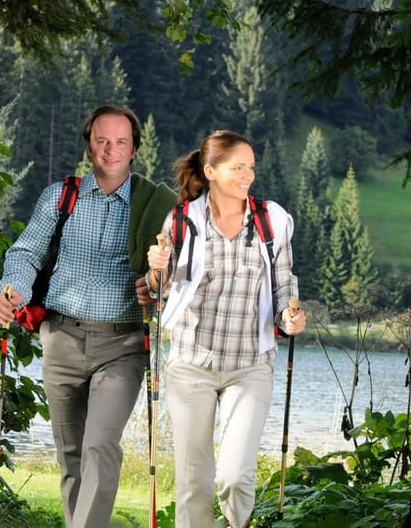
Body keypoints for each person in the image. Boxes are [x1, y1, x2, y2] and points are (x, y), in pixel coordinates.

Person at [0, 105, 175, 527]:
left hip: (123, 345)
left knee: (99, 446)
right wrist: (12, 289)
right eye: (102, 140)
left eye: (121, 142)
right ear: (89, 143)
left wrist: (155, 282)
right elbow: (26, 253)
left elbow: (171, 279)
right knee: (71, 454)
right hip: (61, 337)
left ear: (133, 150)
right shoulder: (61, 195)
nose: (110, 150)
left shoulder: (157, 207)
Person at [145, 130, 307, 528]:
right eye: (238, 167)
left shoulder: (272, 220)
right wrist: (156, 269)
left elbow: (285, 286)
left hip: (250, 366)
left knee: (235, 476)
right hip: (191, 364)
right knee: (192, 482)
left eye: (251, 167)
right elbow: (158, 290)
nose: (248, 175)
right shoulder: (183, 221)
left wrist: (290, 318)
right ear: (211, 171)